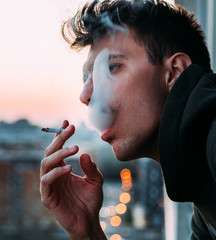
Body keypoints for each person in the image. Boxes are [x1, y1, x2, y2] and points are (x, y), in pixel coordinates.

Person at [39, 0, 216, 239]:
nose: (85, 96)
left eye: (111, 67)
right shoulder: (202, 189)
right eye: (86, 79)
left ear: (174, 72)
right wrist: (88, 232)